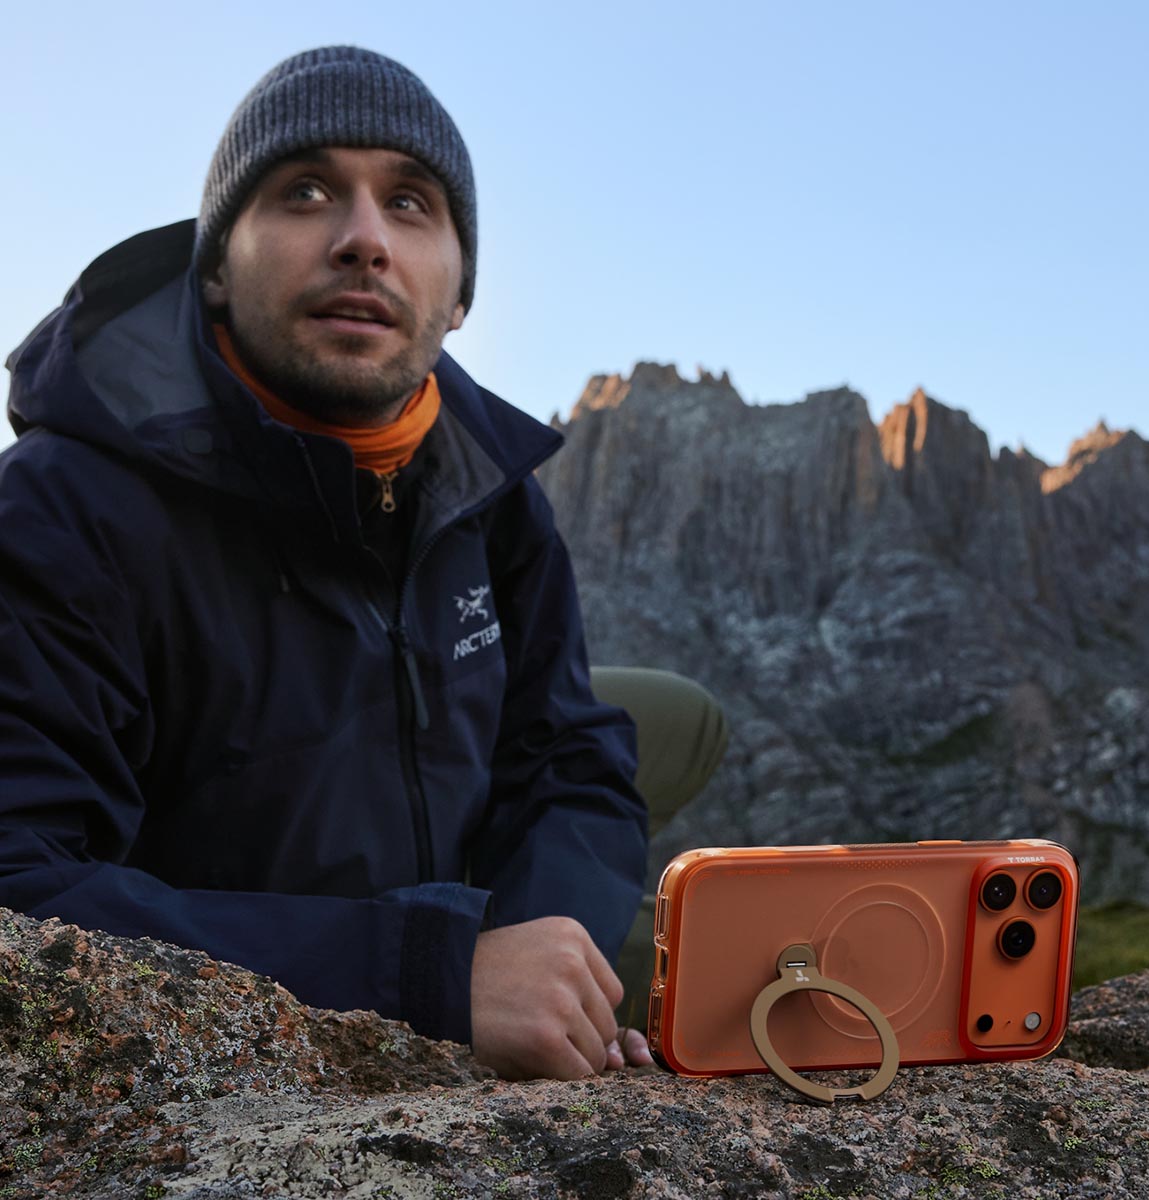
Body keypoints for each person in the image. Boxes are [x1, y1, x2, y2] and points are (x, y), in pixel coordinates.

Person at [0, 46, 658, 1082]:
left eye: (410, 203)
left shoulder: (493, 502)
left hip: (454, 932)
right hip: (227, 1052)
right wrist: (425, 975)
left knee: (659, 725)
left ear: (460, 294)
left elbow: (570, 760)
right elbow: (19, 887)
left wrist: (538, 961)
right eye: (305, 191)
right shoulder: (62, 506)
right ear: (216, 266)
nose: (363, 239)